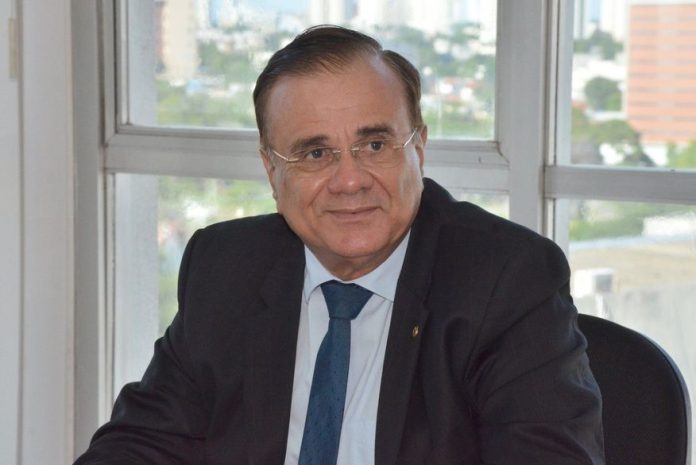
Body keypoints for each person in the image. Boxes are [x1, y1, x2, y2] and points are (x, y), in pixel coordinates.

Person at [75, 25, 604, 465]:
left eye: (374, 144)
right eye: (314, 154)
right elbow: (139, 444)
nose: (350, 181)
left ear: (418, 148)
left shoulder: (506, 280)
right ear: (271, 170)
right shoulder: (226, 267)